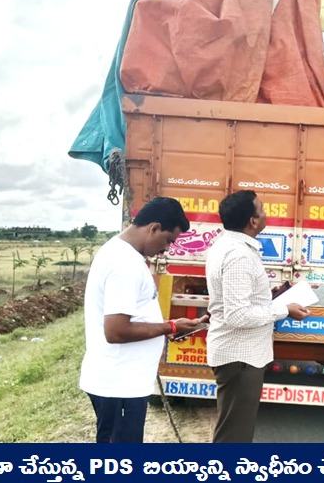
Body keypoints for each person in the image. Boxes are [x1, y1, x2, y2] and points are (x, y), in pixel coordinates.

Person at [79, 196, 209, 443]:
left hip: (124, 383)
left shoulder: (123, 254)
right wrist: (169, 326)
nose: (168, 249)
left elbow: (130, 318)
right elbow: (116, 331)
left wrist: (167, 329)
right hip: (118, 385)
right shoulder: (124, 263)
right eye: (168, 240)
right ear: (154, 228)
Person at [205, 190, 310, 442]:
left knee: (235, 431)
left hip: (241, 355)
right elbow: (238, 315)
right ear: (252, 221)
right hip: (240, 357)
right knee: (234, 436)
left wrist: (283, 294)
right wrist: (285, 309)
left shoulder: (230, 246)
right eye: (262, 209)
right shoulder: (238, 255)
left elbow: (244, 300)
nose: (266, 214)